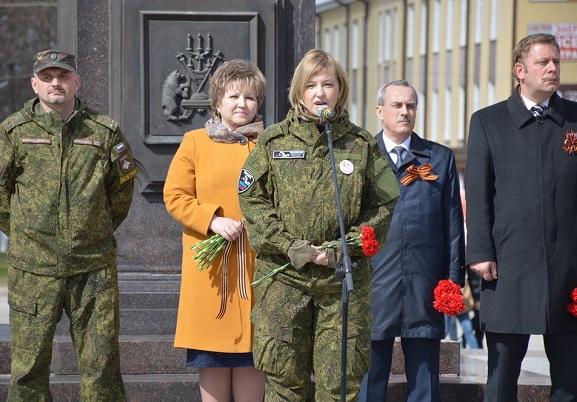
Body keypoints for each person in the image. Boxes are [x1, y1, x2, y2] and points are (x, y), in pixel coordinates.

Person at [238, 49, 399, 401]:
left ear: (340, 91)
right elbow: (252, 200)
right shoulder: (273, 142)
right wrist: (290, 246)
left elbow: (384, 204)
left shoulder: (360, 145)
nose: (320, 93)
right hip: (285, 280)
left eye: (328, 84)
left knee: (339, 386)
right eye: (311, 85)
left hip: (341, 281)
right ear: (299, 91)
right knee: (284, 385)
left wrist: (345, 247)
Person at [0, 49, 135, 401]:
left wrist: (91, 229)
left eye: (63, 76)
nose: (55, 83)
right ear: (34, 84)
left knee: (102, 371)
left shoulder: (104, 131)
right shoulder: (14, 131)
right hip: (33, 270)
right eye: (47, 77)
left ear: (76, 81)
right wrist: (27, 234)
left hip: (92, 268)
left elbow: (122, 191)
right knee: (29, 370)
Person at [465, 33, 577, 401]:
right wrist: (480, 252)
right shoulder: (489, 121)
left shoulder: (574, 119)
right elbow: (478, 193)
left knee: (570, 381)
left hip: (567, 271)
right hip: (509, 270)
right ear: (520, 70)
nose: (552, 68)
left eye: (556, 61)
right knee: (501, 379)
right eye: (543, 62)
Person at [163, 59, 266, 402]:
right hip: (211, 271)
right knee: (213, 357)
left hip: (255, 267)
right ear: (218, 101)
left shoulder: (268, 145)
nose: (242, 104)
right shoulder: (195, 141)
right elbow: (175, 195)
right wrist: (212, 220)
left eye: (250, 98)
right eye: (234, 96)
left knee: (253, 356)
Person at [360, 80, 466, 402]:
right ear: (380, 111)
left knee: (425, 383)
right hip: (375, 281)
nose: (404, 111)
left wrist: (453, 279)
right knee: (369, 378)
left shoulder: (439, 158)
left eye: (410, 105)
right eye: (397, 105)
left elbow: (453, 223)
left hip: (424, 282)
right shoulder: (361, 157)